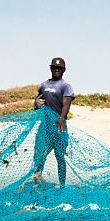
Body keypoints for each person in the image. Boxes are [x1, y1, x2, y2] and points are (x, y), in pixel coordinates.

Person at [32, 56, 74, 187]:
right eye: (55, 67)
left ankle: (62, 186)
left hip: (60, 128)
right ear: (50, 68)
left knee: (60, 157)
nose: (57, 69)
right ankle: (37, 183)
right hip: (45, 128)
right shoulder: (43, 85)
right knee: (40, 155)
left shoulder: (66, 86)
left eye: (60, 68)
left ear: (64, 70)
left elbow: (66, 104)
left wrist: (61, 118)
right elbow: (38, 104)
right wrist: (35, 104)